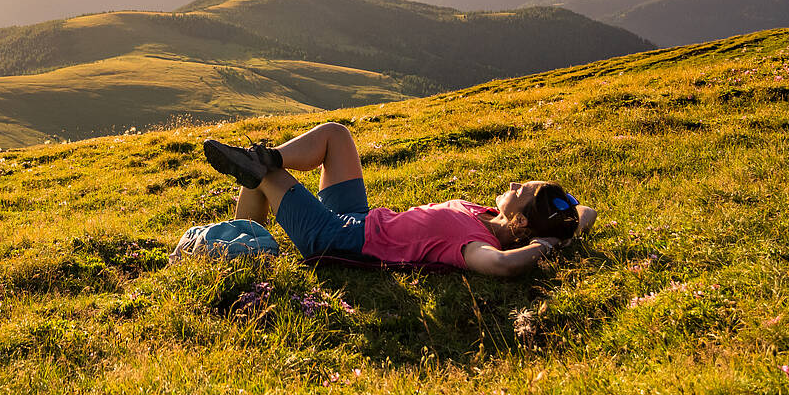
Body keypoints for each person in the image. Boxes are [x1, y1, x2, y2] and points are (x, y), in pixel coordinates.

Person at [202, 121, 595, 277]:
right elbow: (586, 211)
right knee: (336, 136)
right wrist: (567, 220)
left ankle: (244, 250)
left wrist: (549, 243)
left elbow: (503, 266)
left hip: (336, 237)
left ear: (522, 223)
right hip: (359, 218)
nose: (512, 184)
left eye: (520, 191)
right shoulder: (488, 214)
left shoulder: (475, 245)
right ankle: (264, 156)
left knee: (260, 177)